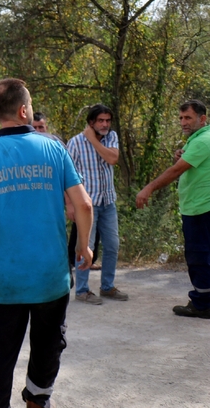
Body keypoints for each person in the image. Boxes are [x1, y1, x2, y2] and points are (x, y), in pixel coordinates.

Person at [0, 78, 94, 408]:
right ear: (24, 110)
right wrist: (84, 245)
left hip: (3, 280)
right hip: (51, 278)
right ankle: (37, 400)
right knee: (48, 345)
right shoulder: (54, 147)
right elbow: (83, 204)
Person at [137, 99, 210, 319]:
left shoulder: (203, 141)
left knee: (199, 257)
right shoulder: (197, 140)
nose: (183, 122)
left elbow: (175, 171)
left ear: (202, 119)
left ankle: (202, 304)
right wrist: (181, 153)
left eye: (188, 117)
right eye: (180, 118)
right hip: (196, 207)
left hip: (200, 209)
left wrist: (148, 188)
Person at [66, 104, 128, 305]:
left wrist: (93, 139)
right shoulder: (75, 143)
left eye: (108, 120)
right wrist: (70, 205)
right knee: (84, 246)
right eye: (100, 120)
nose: (105, 124)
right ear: (91, 122)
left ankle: (107, 287)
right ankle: (82, 290)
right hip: (87, 205)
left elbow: (112, 158)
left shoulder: (111, 137)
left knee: (112, 245)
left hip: (108, 202)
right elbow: (66, 177)